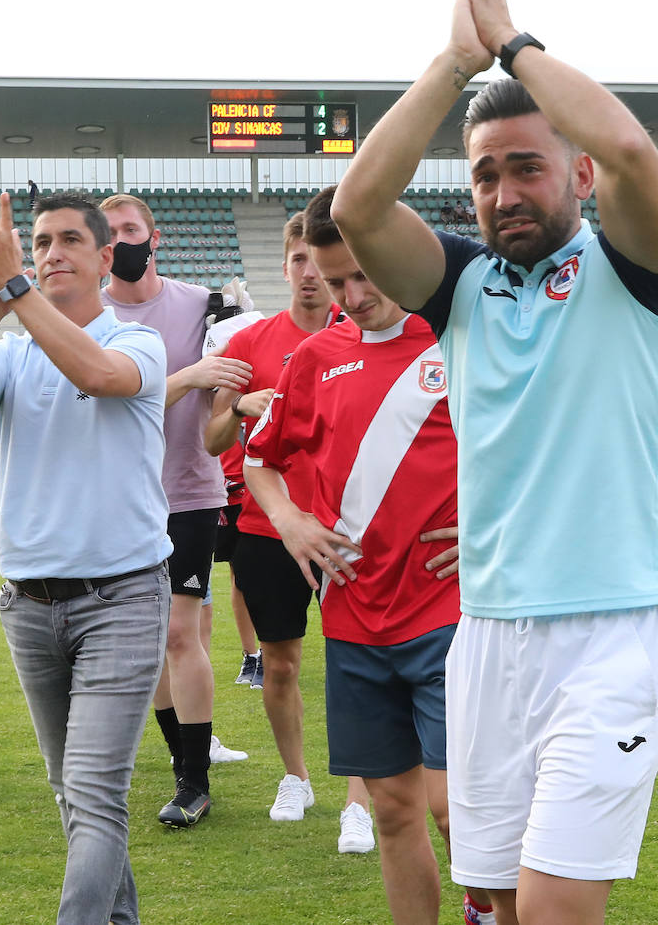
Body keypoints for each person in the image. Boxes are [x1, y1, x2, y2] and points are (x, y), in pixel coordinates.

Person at [331, 0, 658, 925]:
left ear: (573, 173)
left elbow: (628, 152)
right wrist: (454, 65)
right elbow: (356, 206)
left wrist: (513, 44)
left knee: (553, 905)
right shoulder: (463, 286)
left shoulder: (641, 267)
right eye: (486, 175)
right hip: (486, 636)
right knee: (491, 898)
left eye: (526, 168)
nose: (503, 193)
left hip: (611, 637)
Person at [0, 190, 170, 925]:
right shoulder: (13, 349)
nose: (50, 252)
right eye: (39, 242)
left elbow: (97, 376)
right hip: (28, 605)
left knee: (91, 793)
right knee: (74, 791)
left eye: (66, 241)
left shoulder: (136, 342)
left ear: (101, 258)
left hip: (121, 598)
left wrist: (19, 292)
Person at [245, 186, 479, 925]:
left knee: (453, 809)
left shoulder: (459, 336)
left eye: (363, 274)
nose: (351, 294)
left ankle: (487, 908)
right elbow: (260, 461)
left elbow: (543, 445)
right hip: (352, 620)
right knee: (393, 814)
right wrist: (288, 521)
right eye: (334, 279)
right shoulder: (316, 358)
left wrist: (489, 524)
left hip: (450, 611)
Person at [203, 212, 377, 850]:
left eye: (318, 262)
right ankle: (296, 777)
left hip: (344, 531)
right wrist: (241, 408)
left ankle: (358, 799)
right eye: (299, 261)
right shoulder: (249, 343)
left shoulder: (363, 336)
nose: (310, 275)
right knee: (280, 663)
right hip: (266, 528)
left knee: (358, 664)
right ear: (284, 267)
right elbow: (211, 438)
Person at [100, 192, 252, 826]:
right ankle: (182, 763)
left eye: (131, 230)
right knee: (146, 640)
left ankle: (195, 779)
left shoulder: (199, 304)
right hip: (117, 495)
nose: (123, 243)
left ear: (154, 236)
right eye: (110, 236)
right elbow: (110, 401)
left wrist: (242, 325)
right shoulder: (90, 317)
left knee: (177, 632)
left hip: (189, 490)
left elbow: (242, 360)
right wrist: (191, 376)